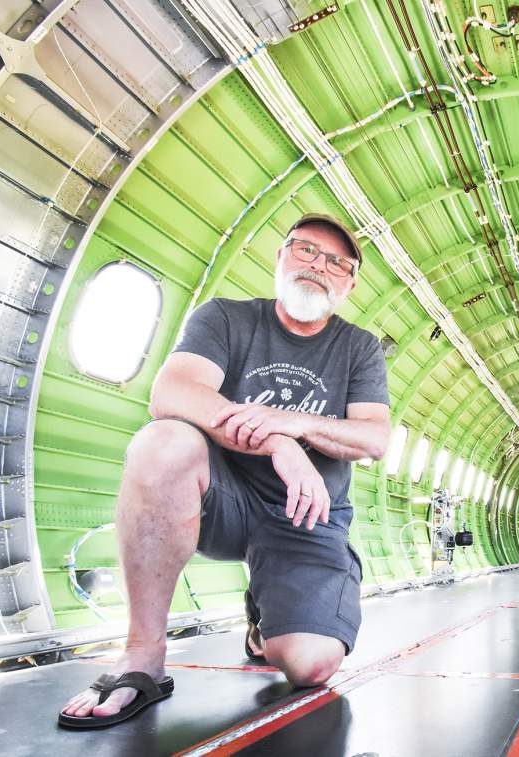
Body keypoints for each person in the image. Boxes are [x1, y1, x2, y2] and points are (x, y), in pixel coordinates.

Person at [59, 213, 391, 728]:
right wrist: (278, 442)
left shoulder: (358, 347)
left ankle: (263, 620)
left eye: (336, 262)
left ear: (348, 284)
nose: (318, 266)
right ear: (279, 258)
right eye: (305, 250)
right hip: (222, 501)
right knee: (163, 441)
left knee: (312, 666)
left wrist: (291, 422)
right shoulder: (226, 318)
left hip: (307, 517)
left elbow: (373, 437)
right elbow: (171, 393)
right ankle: (143, 655)